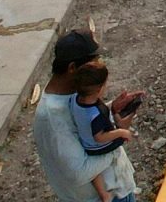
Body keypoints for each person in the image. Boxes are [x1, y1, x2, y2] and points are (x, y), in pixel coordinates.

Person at [32, 31, 119, 202]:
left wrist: (112, 109)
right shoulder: (51, 118)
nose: (98, 68)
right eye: (93, 64)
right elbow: (79, 173)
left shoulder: (77, 92)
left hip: (115, 189)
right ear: (72, 68)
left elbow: (85, 122)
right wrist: (120, 139)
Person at [68, 62, 139, 202]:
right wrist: (121, 132)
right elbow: (99, 137)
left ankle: (103, 194)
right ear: (100, 89)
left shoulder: (74, 100)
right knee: (106, 158)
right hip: (99, 147)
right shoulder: (95, 115)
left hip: (85, 143)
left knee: (95, 172)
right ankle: (106, 195)